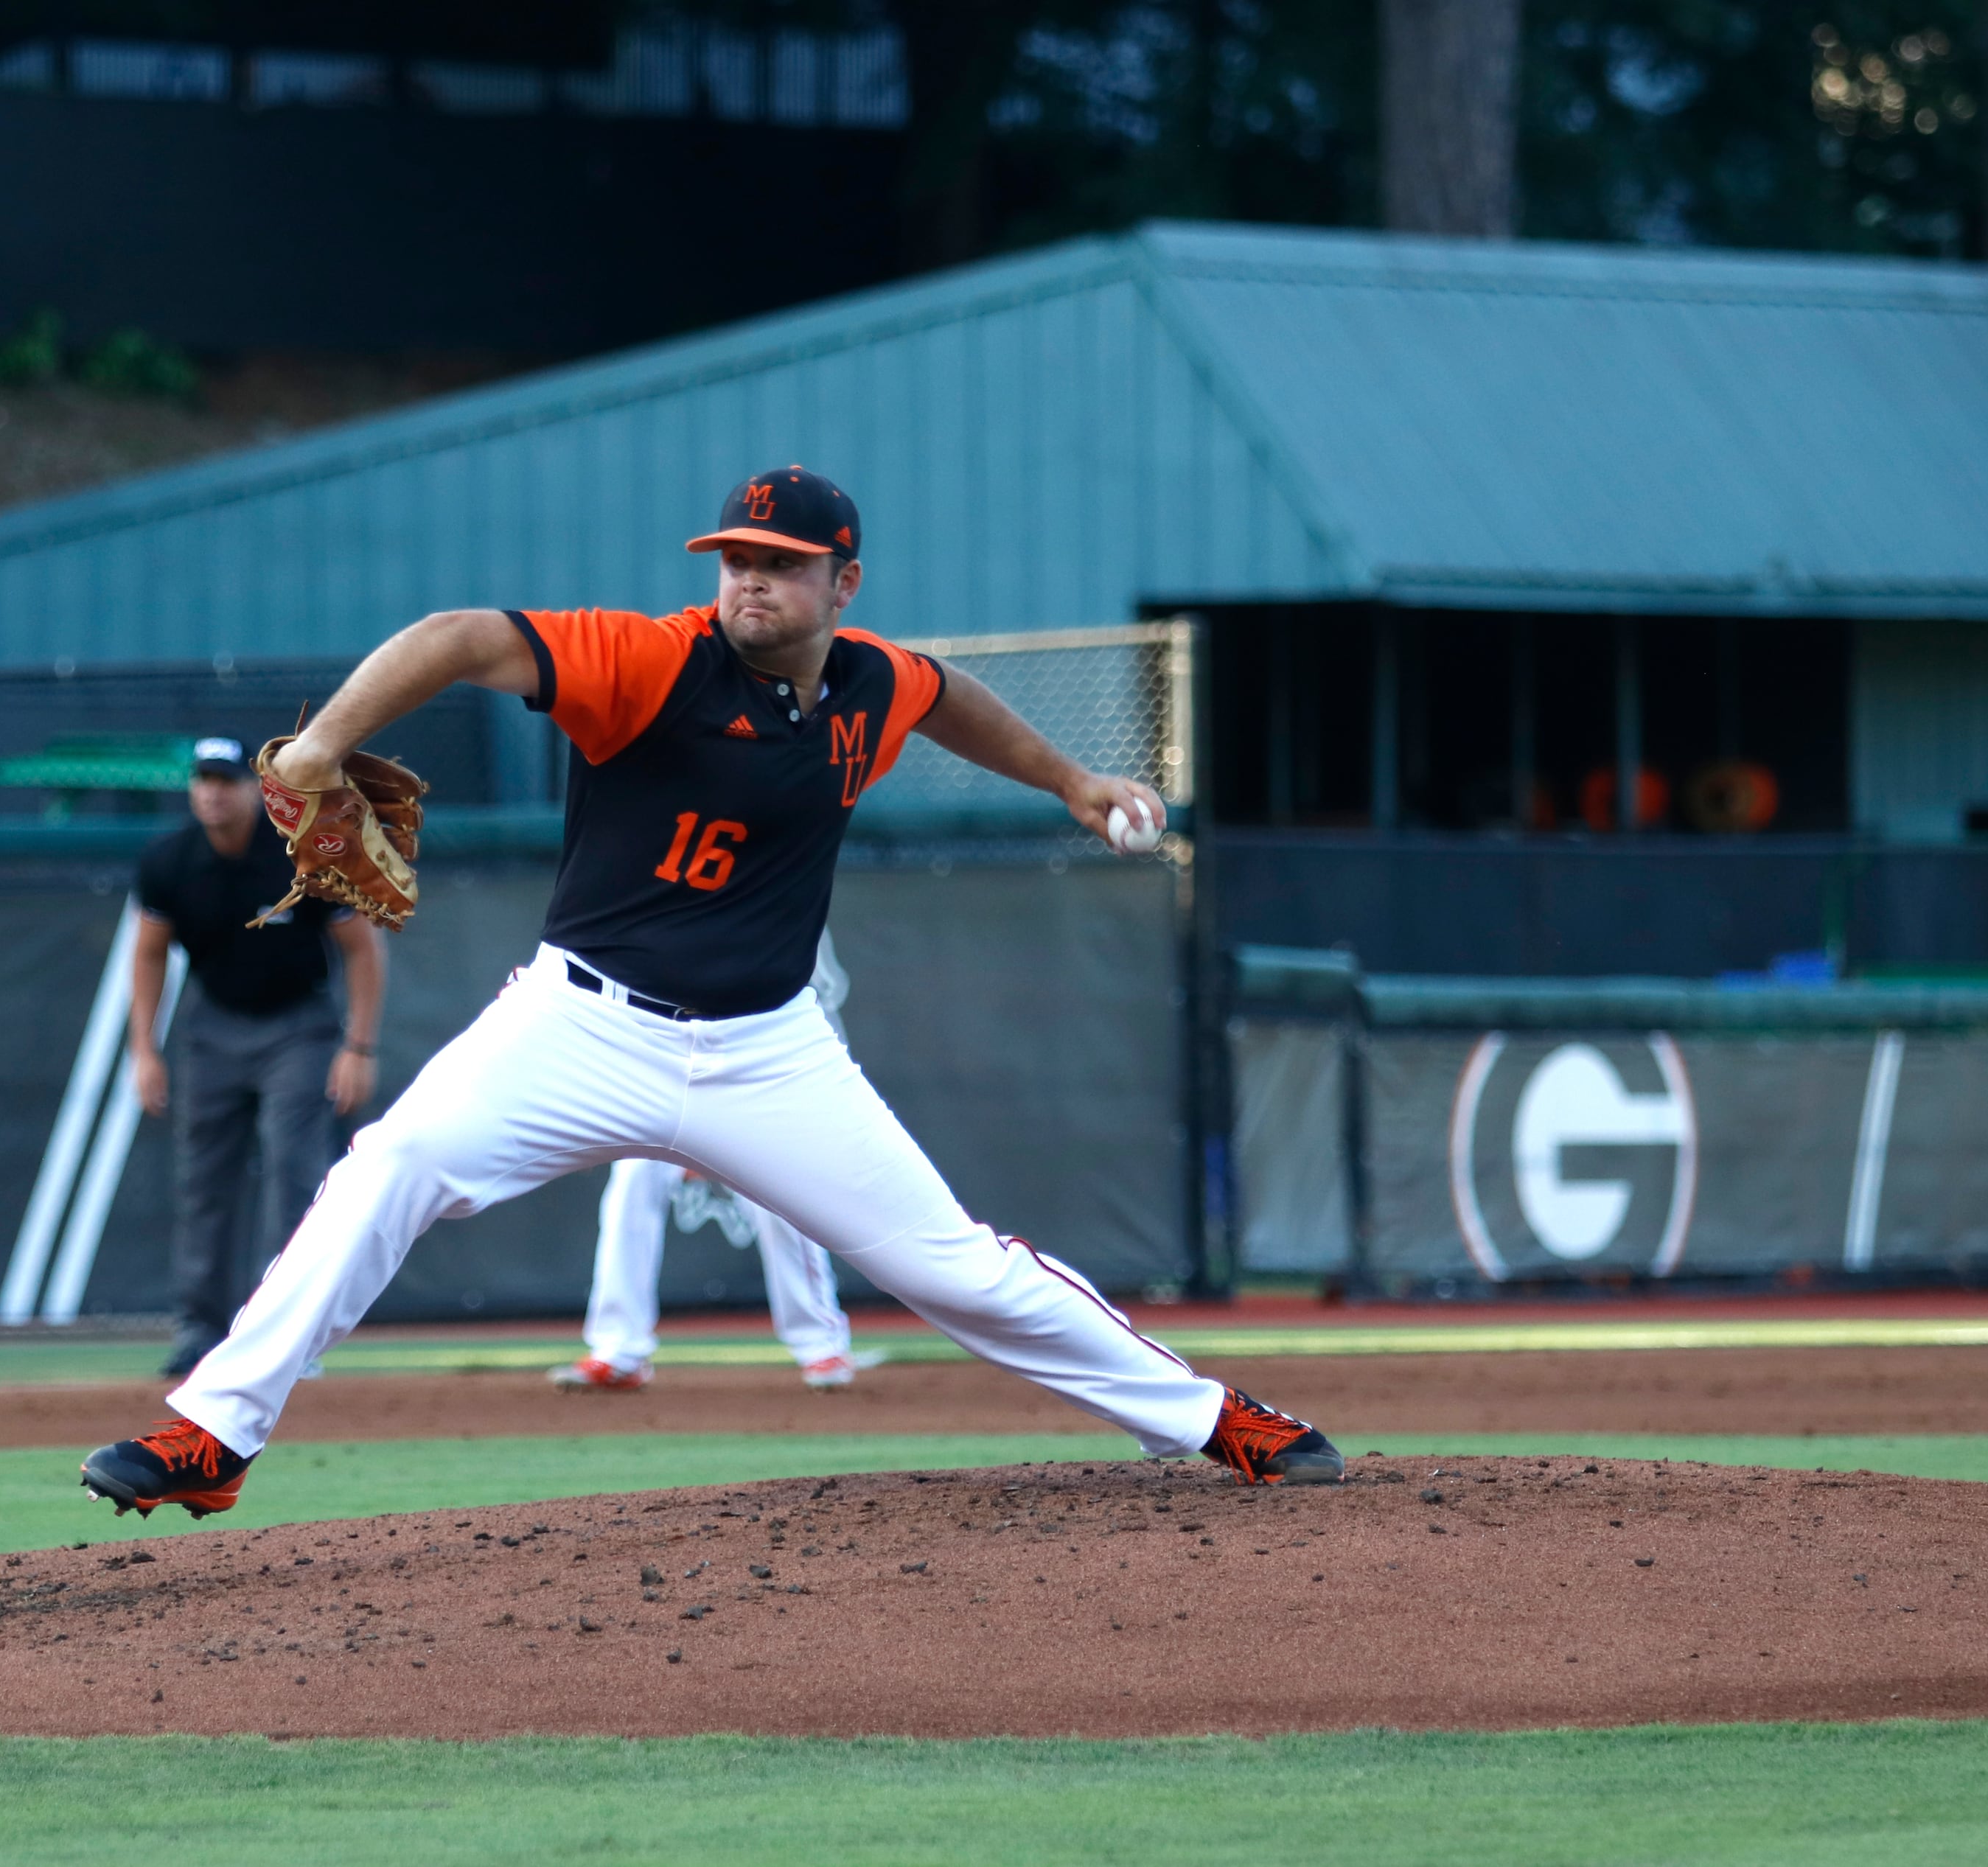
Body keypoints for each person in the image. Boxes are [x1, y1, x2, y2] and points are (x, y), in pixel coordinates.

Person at [81, 467, 1340, 1518]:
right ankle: (214, 1436)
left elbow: (949, 700)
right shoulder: (647, 661)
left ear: (843, 586)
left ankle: (1209, 1416)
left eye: (783, 562)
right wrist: (316, 743)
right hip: (578, 1022)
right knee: (386, 1171)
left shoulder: (870, 683)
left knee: (955, 1266)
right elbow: (463, 636)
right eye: (736, 556)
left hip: (770, 1052)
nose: (750, 578)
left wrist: (1070, 782)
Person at [131, 736, 388, 1378]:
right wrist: (144, 1049)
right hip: (213, 1027)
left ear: (257, 788)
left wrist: (358, 1045)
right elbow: (148, 951)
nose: (213, 791)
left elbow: (362, 950)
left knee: (294, 1172)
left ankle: (288, 1333)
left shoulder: (301, 852)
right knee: (202, 1182)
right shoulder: (170, 860)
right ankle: (200, 1331)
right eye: (202, 779)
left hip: (297, 1027)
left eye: (226, 778)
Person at [551, 929, 860, 1393]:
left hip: (758, 1066)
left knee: (783, 1202)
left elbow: (816, 998)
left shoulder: (781, 897)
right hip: (664, 1067)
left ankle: (820, 1344)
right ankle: (618, 1349)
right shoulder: (654, 902)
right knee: (631, 1187)